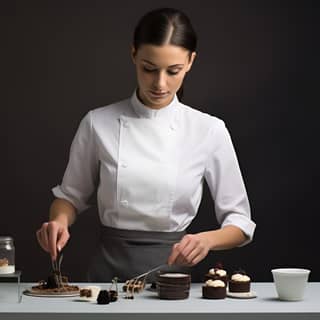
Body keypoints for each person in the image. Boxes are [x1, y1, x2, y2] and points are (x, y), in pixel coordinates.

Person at [36, 7, 256, 282]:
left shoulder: (209, 130)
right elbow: (69, 197)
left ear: (190, 61)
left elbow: (240, 221)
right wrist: (58, 222)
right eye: (149, 69)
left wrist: (207, 240)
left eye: (173, 71)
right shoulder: (97, 123)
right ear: (133, 55)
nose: (160, 83)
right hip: (108, 275)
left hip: (174, 278)